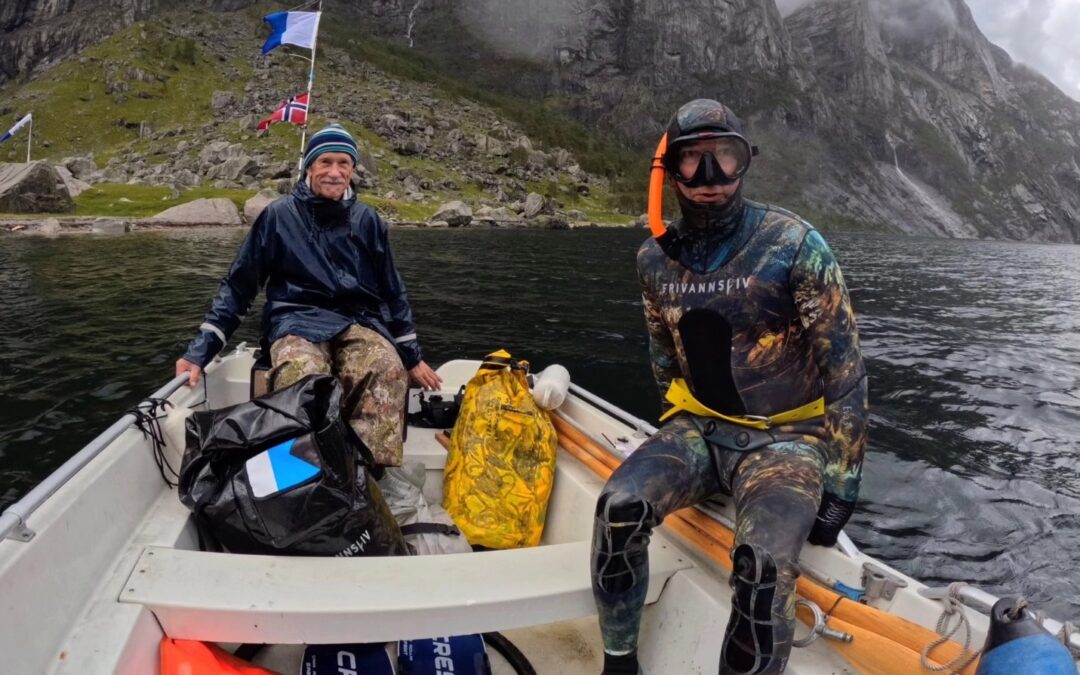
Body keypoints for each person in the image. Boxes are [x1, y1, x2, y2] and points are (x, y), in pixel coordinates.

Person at [591, 99, 868, 674]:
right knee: (617, 509)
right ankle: (619, 663)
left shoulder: (794, 243)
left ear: (746, 161)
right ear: (668, 172)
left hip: (787, 441)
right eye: (692, 161)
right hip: (700, 432)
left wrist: (842, 479)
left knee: (763, 568)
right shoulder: (654, 260)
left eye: (725, 157)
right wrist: (673, 437)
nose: (711, 177)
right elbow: (663, 356)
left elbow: (845, 368)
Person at [175, 123, 442, 467]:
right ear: (309, 167)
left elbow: (393, 294)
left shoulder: (368, 221)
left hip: (358, 321)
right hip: (295, 319)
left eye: (343, 163)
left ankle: (370, 476)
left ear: (352, 169)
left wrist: (411, 356)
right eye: (325, 162)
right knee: (301, 374)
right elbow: (239, 286)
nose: (334, 172)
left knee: (386, 367)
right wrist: (201, 350)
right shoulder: (278, 216)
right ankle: (302, 474)